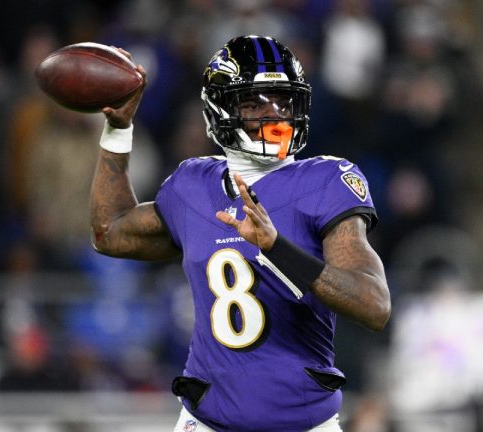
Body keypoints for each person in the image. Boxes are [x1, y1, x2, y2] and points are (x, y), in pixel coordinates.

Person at [89, 35, 391, 432]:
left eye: (283, 100)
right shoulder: (192, 185)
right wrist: (118, 129)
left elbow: (374, 305)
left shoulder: (324, 179)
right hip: (207, 420)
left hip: (303, 423)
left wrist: (276, 248)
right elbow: (109, 232)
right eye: (254, 102)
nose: (274, 114)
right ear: (221, 109)